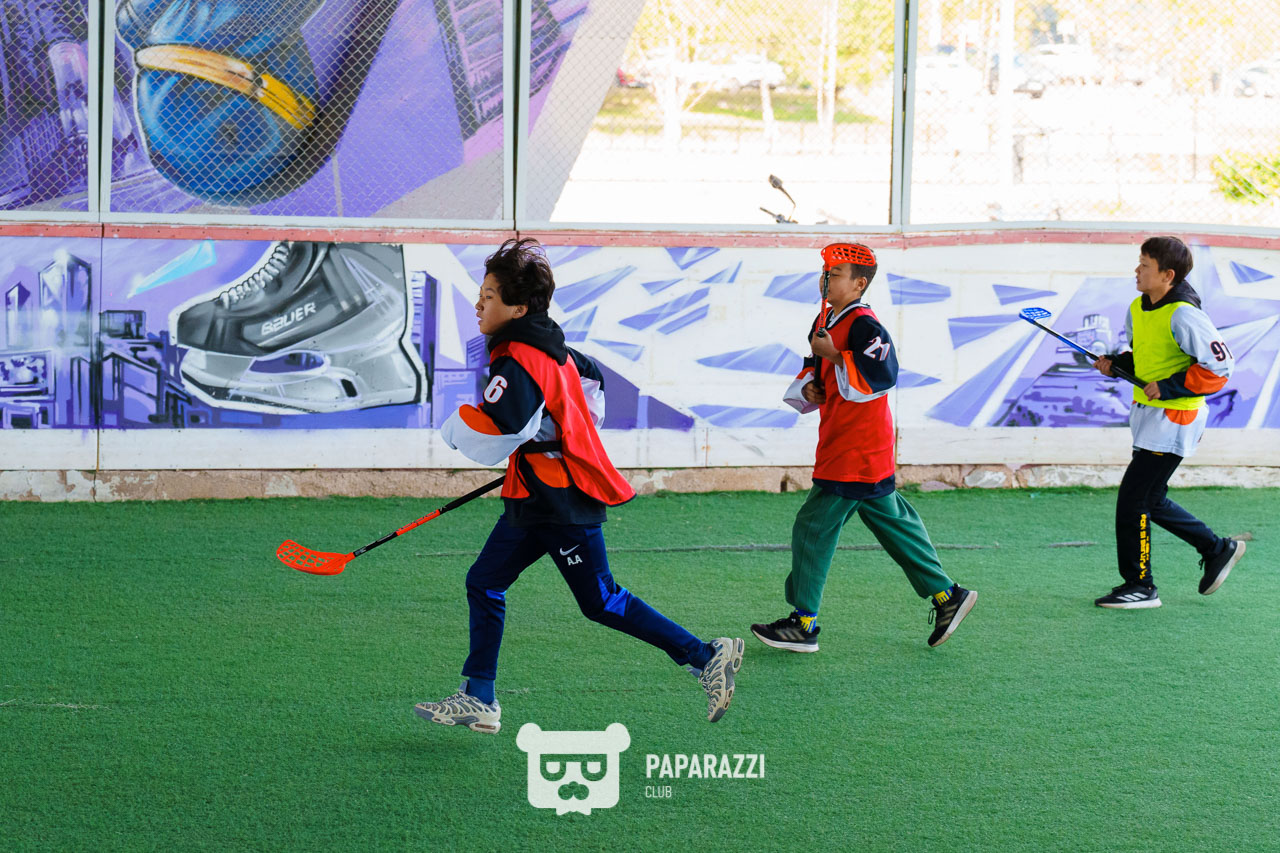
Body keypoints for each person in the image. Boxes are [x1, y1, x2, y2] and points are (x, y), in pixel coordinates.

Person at [414, 238, 743, 733]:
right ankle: (479, 697)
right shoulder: (551, 347)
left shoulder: (519, 356)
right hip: (535, 495)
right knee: (484, 582)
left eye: (489, 296)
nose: (479, 305)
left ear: (518, 309)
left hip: (561, 501)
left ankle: (705, 656)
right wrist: (547, 438)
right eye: (480, 295)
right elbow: (588, 385)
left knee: (602, 600)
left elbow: (503, 424)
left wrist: (461, 429)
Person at [751, 243, 977, 652]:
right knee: (893, 521)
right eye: (825, 272)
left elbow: (883, 374)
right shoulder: (824, 319)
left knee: (812, 528)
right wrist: (811, 387)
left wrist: (836, 356)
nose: (826, 279)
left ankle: (803, 623)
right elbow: (815, 367)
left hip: (856, 447)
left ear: (859, 284)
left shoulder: (865, 325)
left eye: (836, 274)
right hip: (847, 441)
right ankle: (947, 595)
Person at [1092, 236, 1245, 608]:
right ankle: (1216, 548)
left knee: (1133, 500)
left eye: (1145, 265)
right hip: (1148, 416)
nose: (1137, 270)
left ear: (1167, 275)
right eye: (1139, 262)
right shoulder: (1138, 307)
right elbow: (1147, 359)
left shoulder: (1185, 314)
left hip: (1176, 418)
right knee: (1152, 499)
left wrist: (1171, 386)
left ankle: (1140, 586)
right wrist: (1117, 365)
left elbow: (1221, 368)